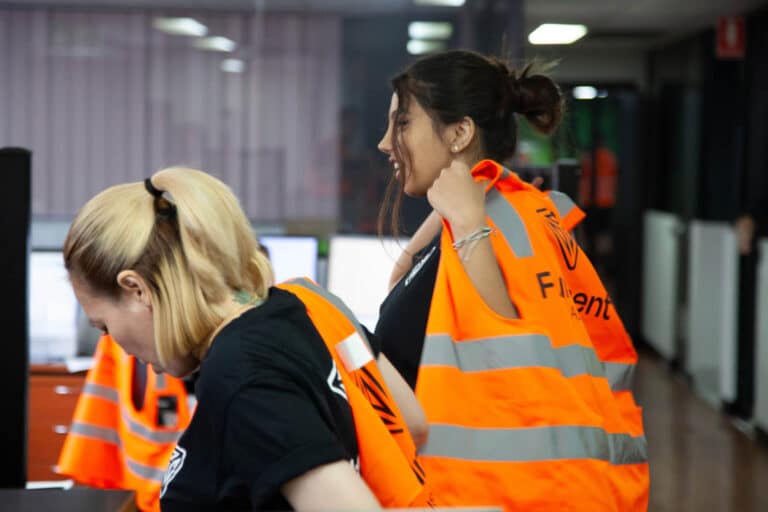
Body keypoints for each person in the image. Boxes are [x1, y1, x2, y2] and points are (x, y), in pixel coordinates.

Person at [374, 49, 649, 511]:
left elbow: (502, 354)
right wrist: (444, 223)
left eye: (402, 124)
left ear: (460, 133)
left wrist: (465, 223)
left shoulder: (486, 231)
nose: (385, 143)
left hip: (495, 495)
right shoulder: (486, 218)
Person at [62, 167, 430, 510]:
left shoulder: (241, 371)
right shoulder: (308, 303)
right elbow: (411, 423)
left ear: (136, 289)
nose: (116, 345)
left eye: (105, 327)